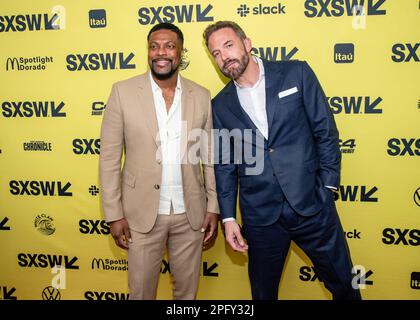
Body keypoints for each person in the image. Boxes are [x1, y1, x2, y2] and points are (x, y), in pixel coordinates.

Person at [203, 21, 361, 300]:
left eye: (228, 45)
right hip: (261, 218)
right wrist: (228, 217)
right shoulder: (220, 105)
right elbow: (225, 166)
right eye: (215, 53)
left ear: (247, 43)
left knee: (344, 286)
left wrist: (328, 187)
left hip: (312, 205)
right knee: (263, 295)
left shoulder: (295, 72)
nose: (224, 57)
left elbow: (325, 131)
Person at [99, 22, 219, 300]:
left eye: (168, 46)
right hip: (139, 215)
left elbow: (209, 156)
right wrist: (114, 213)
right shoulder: (122, 92)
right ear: (148, 52)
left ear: (180, 52)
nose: (160, 52)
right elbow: (109, 158)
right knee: (140, 293)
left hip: (190, 215)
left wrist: (213, 205)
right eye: (154, 46)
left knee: (187, 295)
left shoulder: (201, 96)